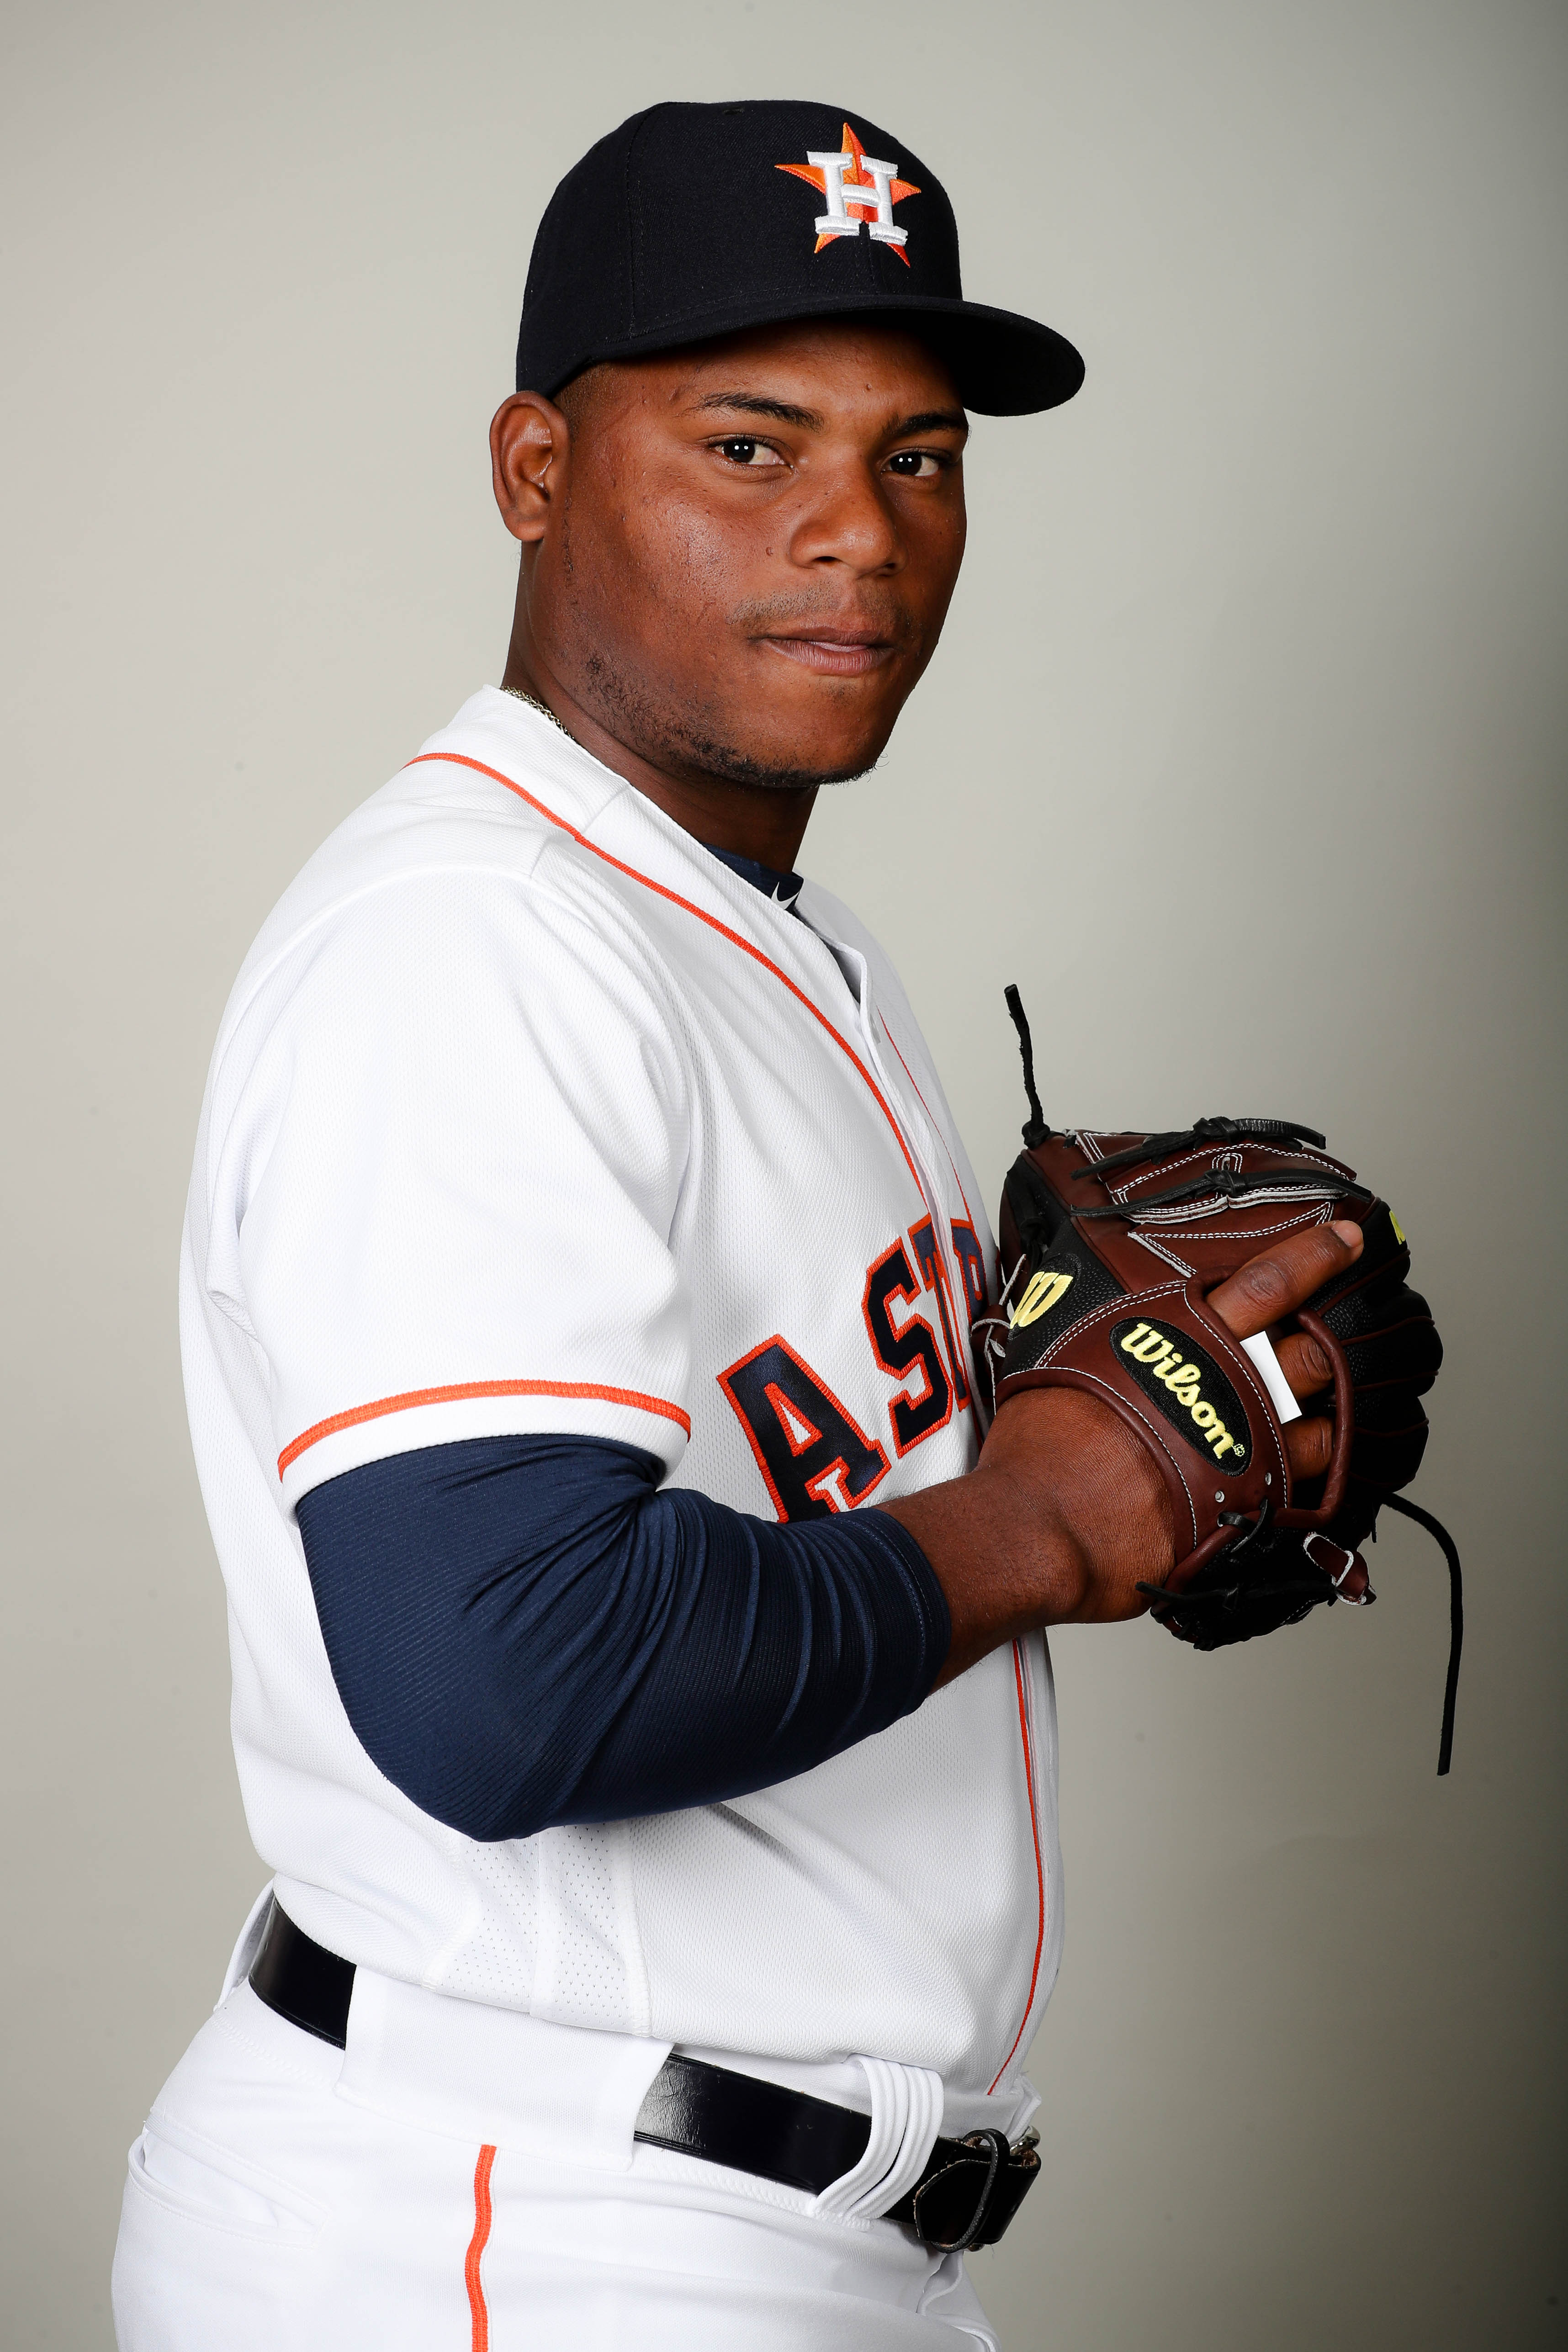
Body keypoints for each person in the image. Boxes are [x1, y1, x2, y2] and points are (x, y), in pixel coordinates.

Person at [112, 100, 1360, 2352]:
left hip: (727, 2218)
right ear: (533, 468)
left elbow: (787, 1479)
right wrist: (1052, 1521)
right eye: (752, 445)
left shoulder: (765, 921)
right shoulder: (481, 943)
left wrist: (1126, 1425)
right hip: (517, 2226)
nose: (858, 540)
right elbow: (508, 1674)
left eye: (921, 458)